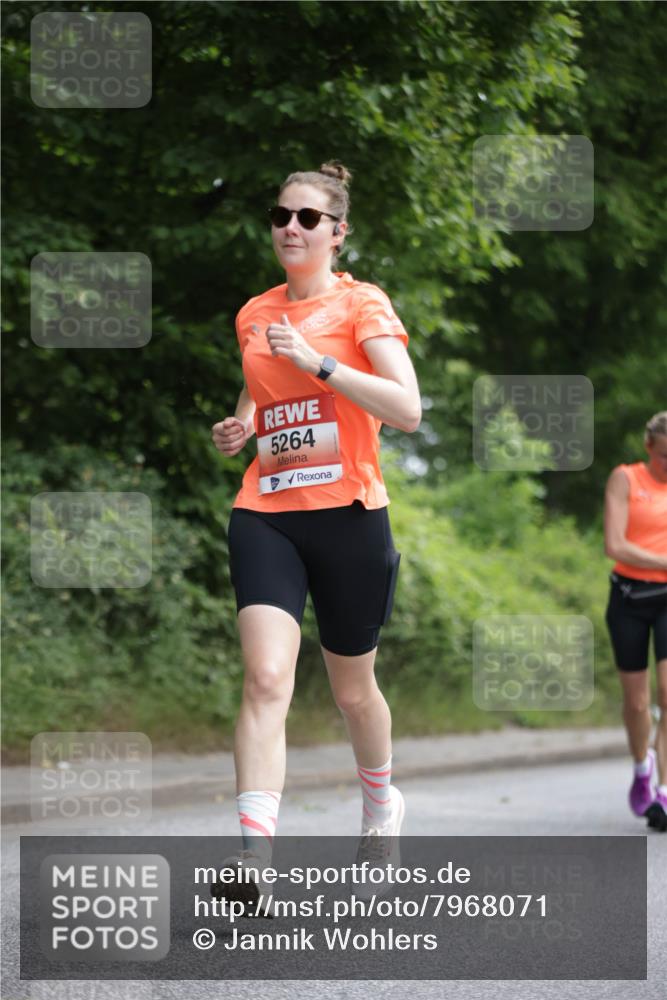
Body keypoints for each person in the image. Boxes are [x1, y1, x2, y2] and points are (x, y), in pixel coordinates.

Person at [210, 161, 421, 908]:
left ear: (338, 233)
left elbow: (407, 408)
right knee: (266, 678)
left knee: (352, 691)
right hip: (266, 513)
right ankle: (253, 858)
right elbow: (262, 385)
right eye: (280, 215)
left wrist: (320, 362)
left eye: (307, 218)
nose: (290, 228)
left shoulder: (362, 304)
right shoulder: (254, 312)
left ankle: (380, 806)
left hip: (349, 517)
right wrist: (244, 423)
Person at [604, 411, 667, 832]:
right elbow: (615, 545)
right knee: (638, 703)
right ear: (649, 447)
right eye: (665, 456)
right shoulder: (625, 479)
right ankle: (642, 766)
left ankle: (664, 790)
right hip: (629, 598)